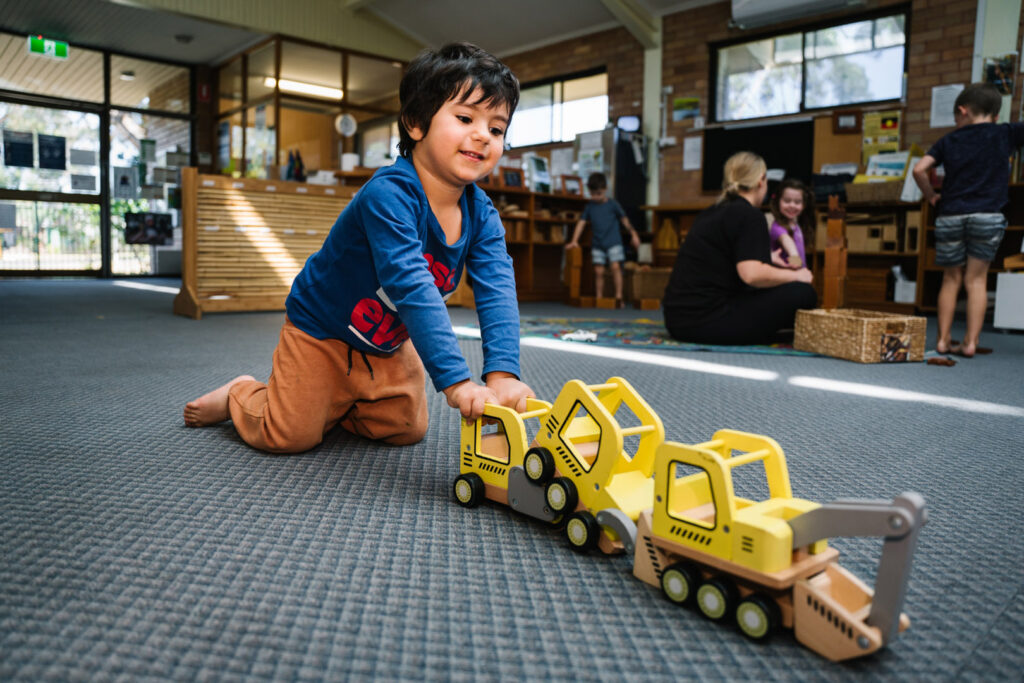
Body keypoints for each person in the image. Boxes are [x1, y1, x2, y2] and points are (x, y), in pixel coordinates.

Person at [183, 42, 534, 453]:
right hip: (322, 331)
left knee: (406, 428)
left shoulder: (483, 214)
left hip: (384, 341)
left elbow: (496, 286)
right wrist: (456, 381)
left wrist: (503, 372)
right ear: (416, 123)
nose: (483, 135)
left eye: (496, 128)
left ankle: (339, 401)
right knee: (288, 435)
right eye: (464, 117)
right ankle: (242, 393)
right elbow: (412, 286)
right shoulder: (388, 194)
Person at [912, 83, 1024, 358]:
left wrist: (931, 197)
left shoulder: (948, 140)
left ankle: (942, 341)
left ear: (962, 111)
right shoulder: (1004, 133)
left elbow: (919, 169)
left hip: (951, 215)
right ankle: (970, 343)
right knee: (976, 280)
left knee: (950, 279)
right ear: (996, 115)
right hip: (987, 216)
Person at [662, 151, 817, 345]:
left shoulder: (711, 212)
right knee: (803, 293)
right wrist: (797, 276)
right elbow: (751, 275)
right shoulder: (750, 215)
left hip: (677, 320)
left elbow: (722, 260)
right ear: (761, 180)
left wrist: (767, 258)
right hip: (707, 320)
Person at [565, 172, 641, 307]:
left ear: (605, 189)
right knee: (598, 271)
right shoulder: (590, 206)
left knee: (615, 267)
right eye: (592, 194)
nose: (595, 197)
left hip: (614, 242)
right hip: (598, 243)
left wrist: (633, 234)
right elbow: (581, 223)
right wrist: (574, 240)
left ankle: (618, 298)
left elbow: (624, 220)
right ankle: (599, 297)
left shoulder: (613, 205)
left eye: (599, 193)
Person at [768, 179, 815, 269]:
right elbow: (789, 246)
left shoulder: (795, 224)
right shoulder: (778, 228)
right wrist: (796, 263)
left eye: (797, 202)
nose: (792, 205)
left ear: (804, 205)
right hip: (787, 279)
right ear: (778, 202)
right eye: (787, 201)